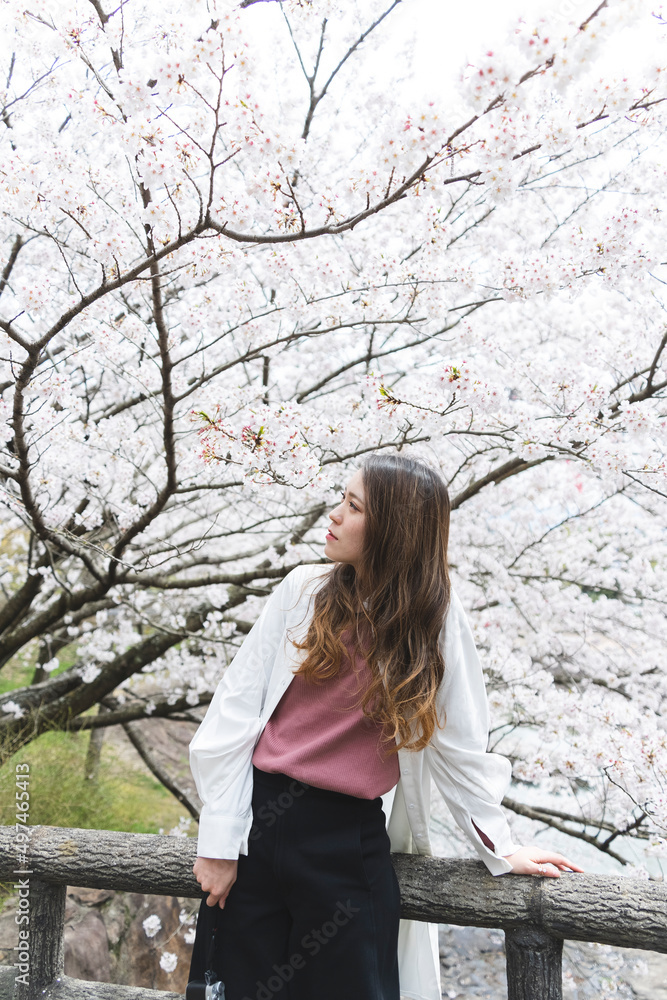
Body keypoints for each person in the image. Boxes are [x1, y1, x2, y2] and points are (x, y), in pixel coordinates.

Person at [188, 453, 582, 1000]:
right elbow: (233, 713)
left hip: (347, 844)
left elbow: (460, 743)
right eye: (341, 500)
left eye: (353, 507)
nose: (333, 515)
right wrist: (218, 841)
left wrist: (500, 846)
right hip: (257, 826)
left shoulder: (435, 623)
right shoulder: (303, 590)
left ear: (394, 529)